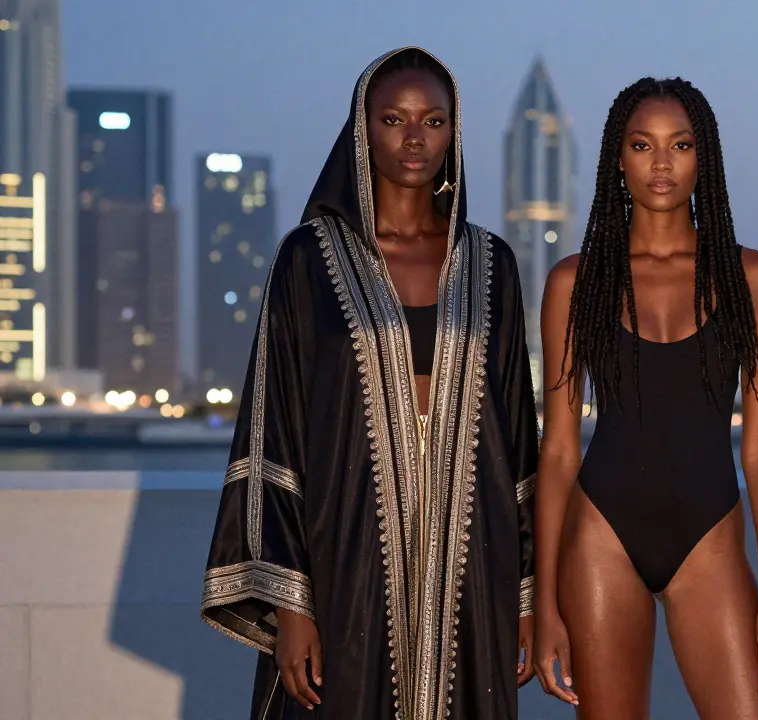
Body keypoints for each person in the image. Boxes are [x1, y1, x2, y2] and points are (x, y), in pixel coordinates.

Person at [200, 46, 538, 720]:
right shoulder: (308, 260)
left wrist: (524, 599)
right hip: (344, 561)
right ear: (363, 129)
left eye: (434, 121)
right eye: (394, 119)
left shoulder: (492, 263)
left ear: (454, 132)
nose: (415, 138)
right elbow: (276, 427)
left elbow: (519, 444)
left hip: (472, 566)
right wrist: (292, 607)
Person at [532, 77, 758, 718]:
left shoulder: (750, 278)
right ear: (617, 158)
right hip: (601, 536)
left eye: (681, 145)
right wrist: (542, 605)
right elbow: (559, 451)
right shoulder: (576, 280)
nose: (662, 163)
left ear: (705, 156)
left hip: (710, 536)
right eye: (643, 145)